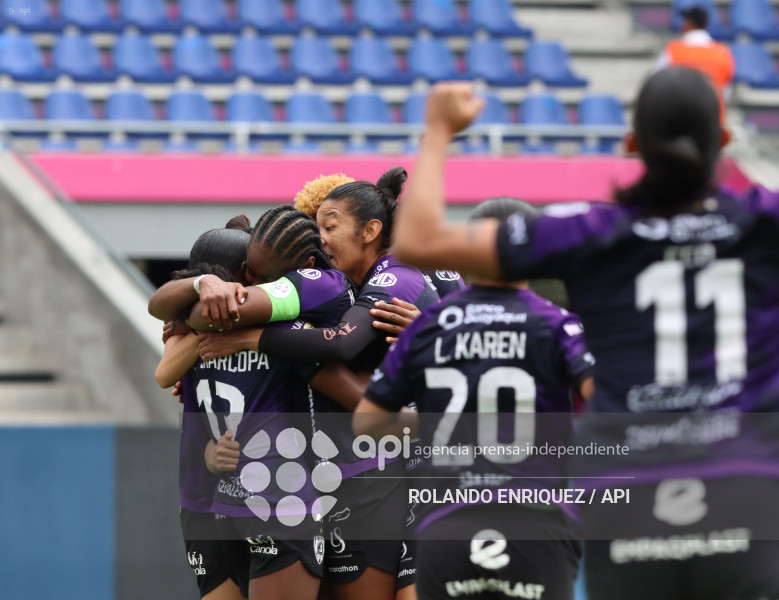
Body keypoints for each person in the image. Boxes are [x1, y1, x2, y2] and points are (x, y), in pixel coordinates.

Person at [389, 72, 779, 600]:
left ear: (631, 144)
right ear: (724, 141)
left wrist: (438, 131)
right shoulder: (762, 221)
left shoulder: (590, 231)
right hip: (747, 487)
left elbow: (417, 239)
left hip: (629, 497)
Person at [196, 167, 440, 600]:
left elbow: (342, 345)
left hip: (405, 473)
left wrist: (252, 337)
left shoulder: (394, 277)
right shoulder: (344, 289)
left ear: (370, 231)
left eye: (329, 227)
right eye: (315, 231)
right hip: (338, 478)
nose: (320, 243)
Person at [354, 197, 594, 600]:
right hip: (535, 524)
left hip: (447, 525)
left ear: (466, 249)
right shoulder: (557, 324)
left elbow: (367, 422)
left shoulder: (426, 328)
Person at [151, 208, 360, 600]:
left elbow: (164, 372)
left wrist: (195, 321)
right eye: (251, 276)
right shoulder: (271, 331)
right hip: (255, 495)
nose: (257, 285)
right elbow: (165, 373)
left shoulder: (196, 332)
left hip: (234, 495)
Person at [155, 226, 254, 600]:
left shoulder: (265, 314)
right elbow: (164, 374)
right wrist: (203, 324)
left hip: (262, 492)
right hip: (204, 492)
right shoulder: (187, 322)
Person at [654, 5, 734, 124]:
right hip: (712, 121)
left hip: (679, 121)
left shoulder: (673, 50)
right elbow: (726, 92)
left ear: (689, 23)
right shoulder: (723, 53)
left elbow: (656, 86)